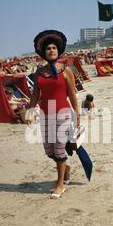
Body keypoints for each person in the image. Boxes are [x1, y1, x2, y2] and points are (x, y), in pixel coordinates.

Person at [27, 30, 80, 199]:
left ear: (58, 50)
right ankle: (66, 168)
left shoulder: (66, 71)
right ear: (44, 52)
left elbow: (72, 94)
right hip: (45, 115)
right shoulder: (39, 73)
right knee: (49, 151)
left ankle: (60, 185)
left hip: (63, 114)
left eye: (54, 47)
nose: (51, 50)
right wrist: (30, 110)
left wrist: (77, 115)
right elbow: (35, 93)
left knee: (58, 149)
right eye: (48, 48)